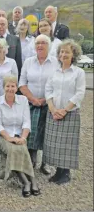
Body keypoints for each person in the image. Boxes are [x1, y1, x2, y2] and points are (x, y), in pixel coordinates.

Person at [44, 39, 85, 185]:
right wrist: (53, 109)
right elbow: (48, 90)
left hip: (70, 113)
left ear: (73, 54)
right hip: (53, 112)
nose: (64, 54)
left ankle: (65, 173)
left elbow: (79, 93)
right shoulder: (54, 72)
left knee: (67, 144)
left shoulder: (78, 72)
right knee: (54, 143)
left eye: (67, 52)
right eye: (61, 51)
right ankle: (58, 171)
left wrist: (64, 110)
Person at [0, 75, 40, 198]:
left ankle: (33, 180)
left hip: (20, 134)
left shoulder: (23, 100)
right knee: (13, 150)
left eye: (13, 86)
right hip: (3, 135)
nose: (10, 88)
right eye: (7, 86)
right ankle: (26, 182)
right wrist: (8, 138)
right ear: (4, 87)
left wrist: (23, 138)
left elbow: (26, 122)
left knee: (23, 149)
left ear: (16, 87)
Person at [19, 34, 59, 175]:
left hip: (50, 104)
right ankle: (31, 159)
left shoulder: (56, 62)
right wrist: (33, 99)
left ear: (49, 46)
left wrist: (45, 99)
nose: (40, 46)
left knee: (48, 133)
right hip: (31, 103)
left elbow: (59, 84)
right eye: (37, 43)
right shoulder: (29, 62)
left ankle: (46, 163)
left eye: (43, 43)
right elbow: (22, 83)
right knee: (32, 131)